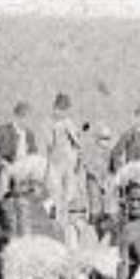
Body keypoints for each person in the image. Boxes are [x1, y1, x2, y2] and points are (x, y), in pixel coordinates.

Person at [47, 93, 87, 230]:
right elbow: (51, 145)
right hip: (56, 161)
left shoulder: (66, 123)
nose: (57, 112)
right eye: (56, 109)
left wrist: (78, 161)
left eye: (60, 109)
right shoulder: (55, 125)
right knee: (55, 192)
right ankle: (56, 222)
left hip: (67, 162)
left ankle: (66, 223)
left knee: (68, 193)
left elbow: (77, 142)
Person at [0, 101, 38, 193]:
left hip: (24, 174)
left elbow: (33, 153)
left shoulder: (29, 134)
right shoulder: (3, 130)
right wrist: (1, 161)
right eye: (23, 116)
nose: (26, 120)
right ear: (16, 116)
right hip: (6, 171)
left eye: (29, 118)